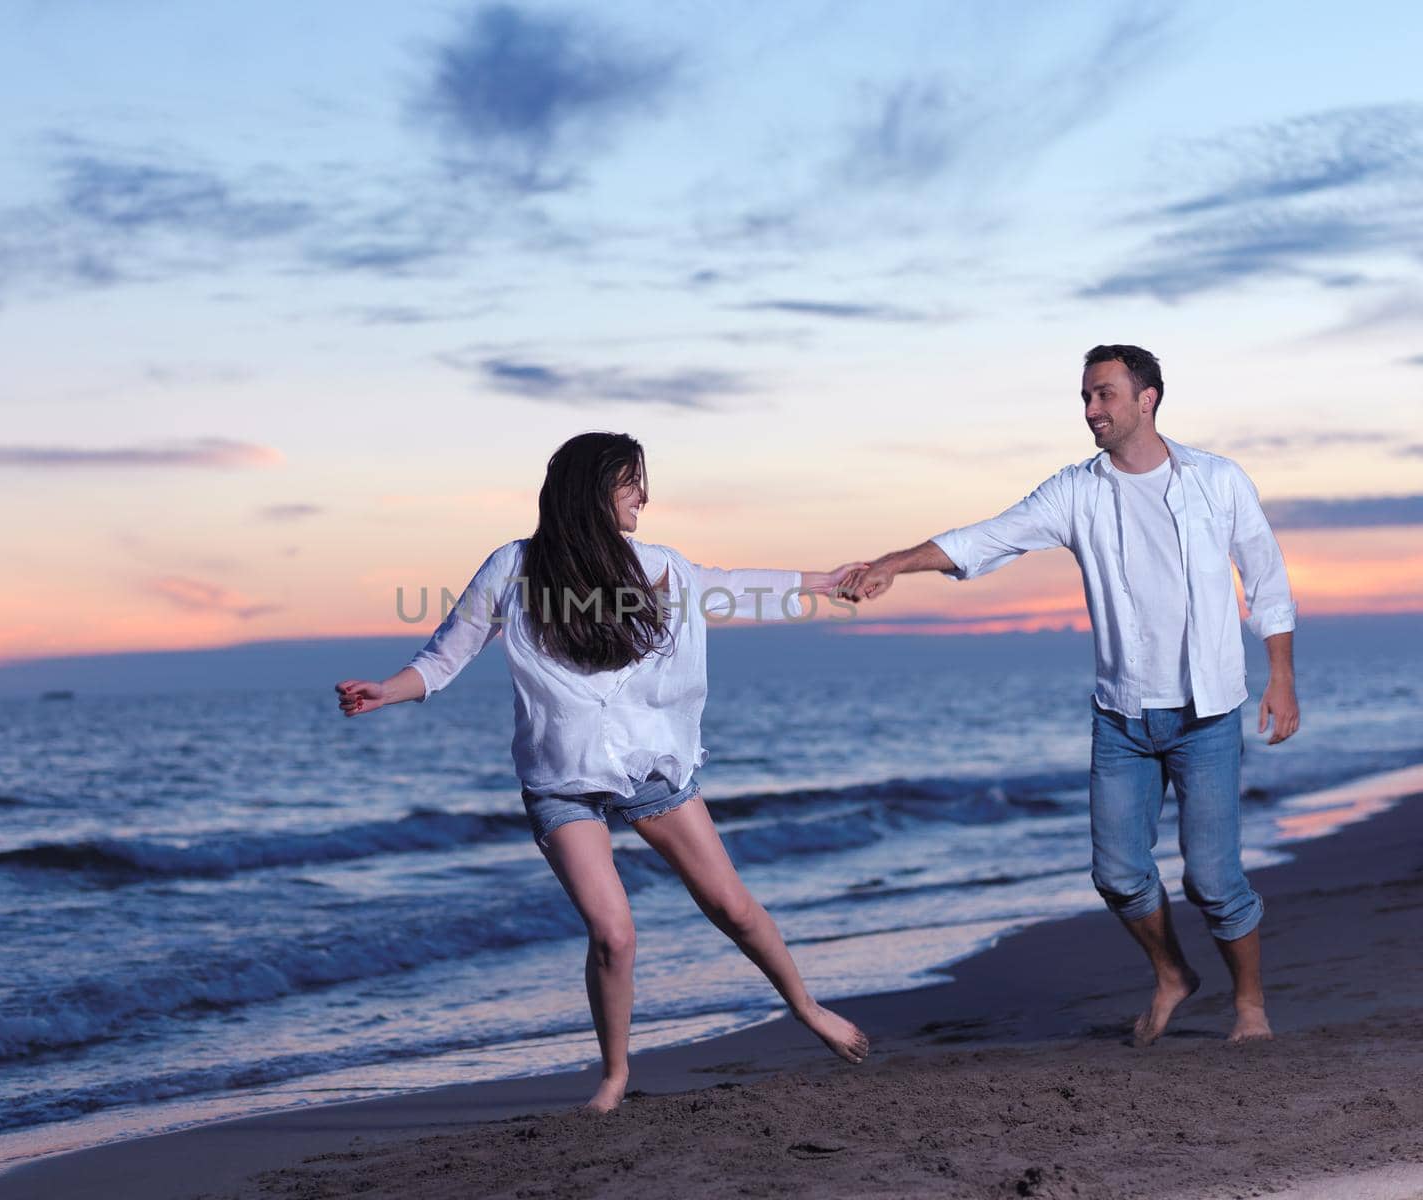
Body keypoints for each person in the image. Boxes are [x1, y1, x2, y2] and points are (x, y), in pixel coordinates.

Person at [336, 431, 870, 1112]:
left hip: (652, 768)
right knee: (614, 933)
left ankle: (807, 1008)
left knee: (731, 906)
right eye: (629, 482)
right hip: (562, 780)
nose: (642, 495)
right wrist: (387, 689)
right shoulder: (515, 567)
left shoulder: (662, 568)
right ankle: (614, 1077)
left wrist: (825, 582)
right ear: (592, 490)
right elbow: (445, 656)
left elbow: (733, 587)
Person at [842, 344, 1299, 1046]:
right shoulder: (1076, 491)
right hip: (1121, 717)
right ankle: (1173, 973)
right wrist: (896, 563)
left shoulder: (1217, 480)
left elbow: (1265, 578)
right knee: (1117, 875)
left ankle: (1251, 1008)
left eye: (1105, 395)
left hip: (1206, 713)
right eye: (1086, 397)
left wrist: (1282, 678)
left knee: (1212, 879)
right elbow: (989, 537)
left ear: (1147, 399)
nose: (1091, 411)